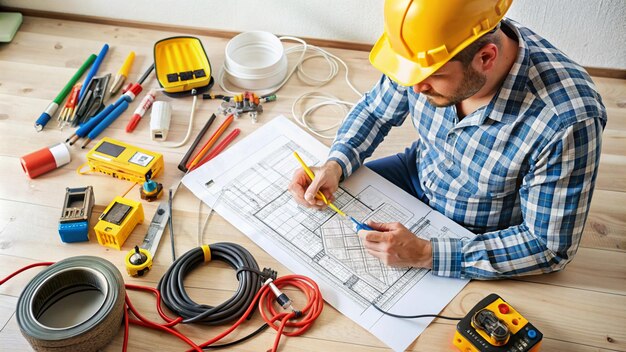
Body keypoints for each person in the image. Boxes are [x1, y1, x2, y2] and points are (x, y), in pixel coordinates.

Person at [288, 0, 607, 279]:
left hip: (477, 231)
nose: (414, 88)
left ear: (485, 57)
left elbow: (548, 247)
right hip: (417, 171)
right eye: (411, 75)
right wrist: (335, 164)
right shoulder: (427, 50)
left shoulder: (567, 122)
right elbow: (375, 111)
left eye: (432, 78)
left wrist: (426, 254)